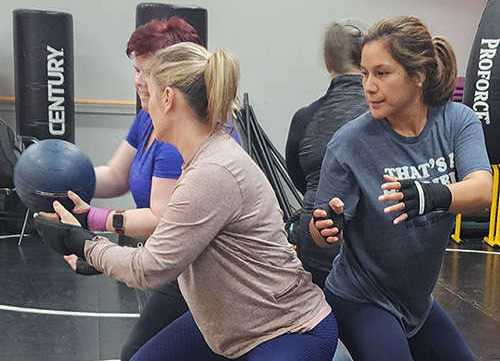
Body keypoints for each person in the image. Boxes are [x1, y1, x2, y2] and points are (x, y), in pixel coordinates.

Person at [35, 42, 338, 360]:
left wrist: (81, 242)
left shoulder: (213, 171)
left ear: (168, 98)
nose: (146, 107)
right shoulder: (204, 157)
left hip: (287, 330)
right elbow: (173, 243)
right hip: (234, 327)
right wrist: (90, 230)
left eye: (150, 94)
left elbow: (148, 269)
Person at [310, 15, 492, 361]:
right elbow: (320, 236)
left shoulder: (456, 121)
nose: (368, 86)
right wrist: (325, 229)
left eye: (382, 73)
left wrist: (430, 195)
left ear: (418, 76)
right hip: (361, 298)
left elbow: (483, 189)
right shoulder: (349, 143)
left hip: (417, 301)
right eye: (365, 73)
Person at [65, 17, 204, 361]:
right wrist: (63, 182)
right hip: (177, 266)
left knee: (138, 354)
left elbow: (162, 219)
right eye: (136, 70)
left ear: (176, 75)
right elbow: (117, 175)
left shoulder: (180, 136)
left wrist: (91, 223)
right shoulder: (149, 116)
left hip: (202, 273)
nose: (139, 81)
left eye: (148, 72)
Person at [285, 18, 369, 289]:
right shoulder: (387, 118)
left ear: (326, 61)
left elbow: (299, 178)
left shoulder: (305, 118)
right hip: (367, 254)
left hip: (321, 251)